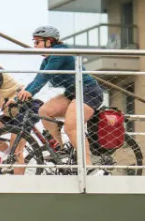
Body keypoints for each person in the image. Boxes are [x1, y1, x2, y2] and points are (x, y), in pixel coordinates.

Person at [17, 25, 104, 161]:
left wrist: (29, 92)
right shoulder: (47, 60)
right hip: (72, 93)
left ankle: (88, 165)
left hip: (88, 91)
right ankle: (61, 150)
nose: (34, 45)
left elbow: (45, 77)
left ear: (49, 41)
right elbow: (38, 78)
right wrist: (20, 98)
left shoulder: (60, 52)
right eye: (34, 42)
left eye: (37, 42)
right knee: (44, 111)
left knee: (71, 127)